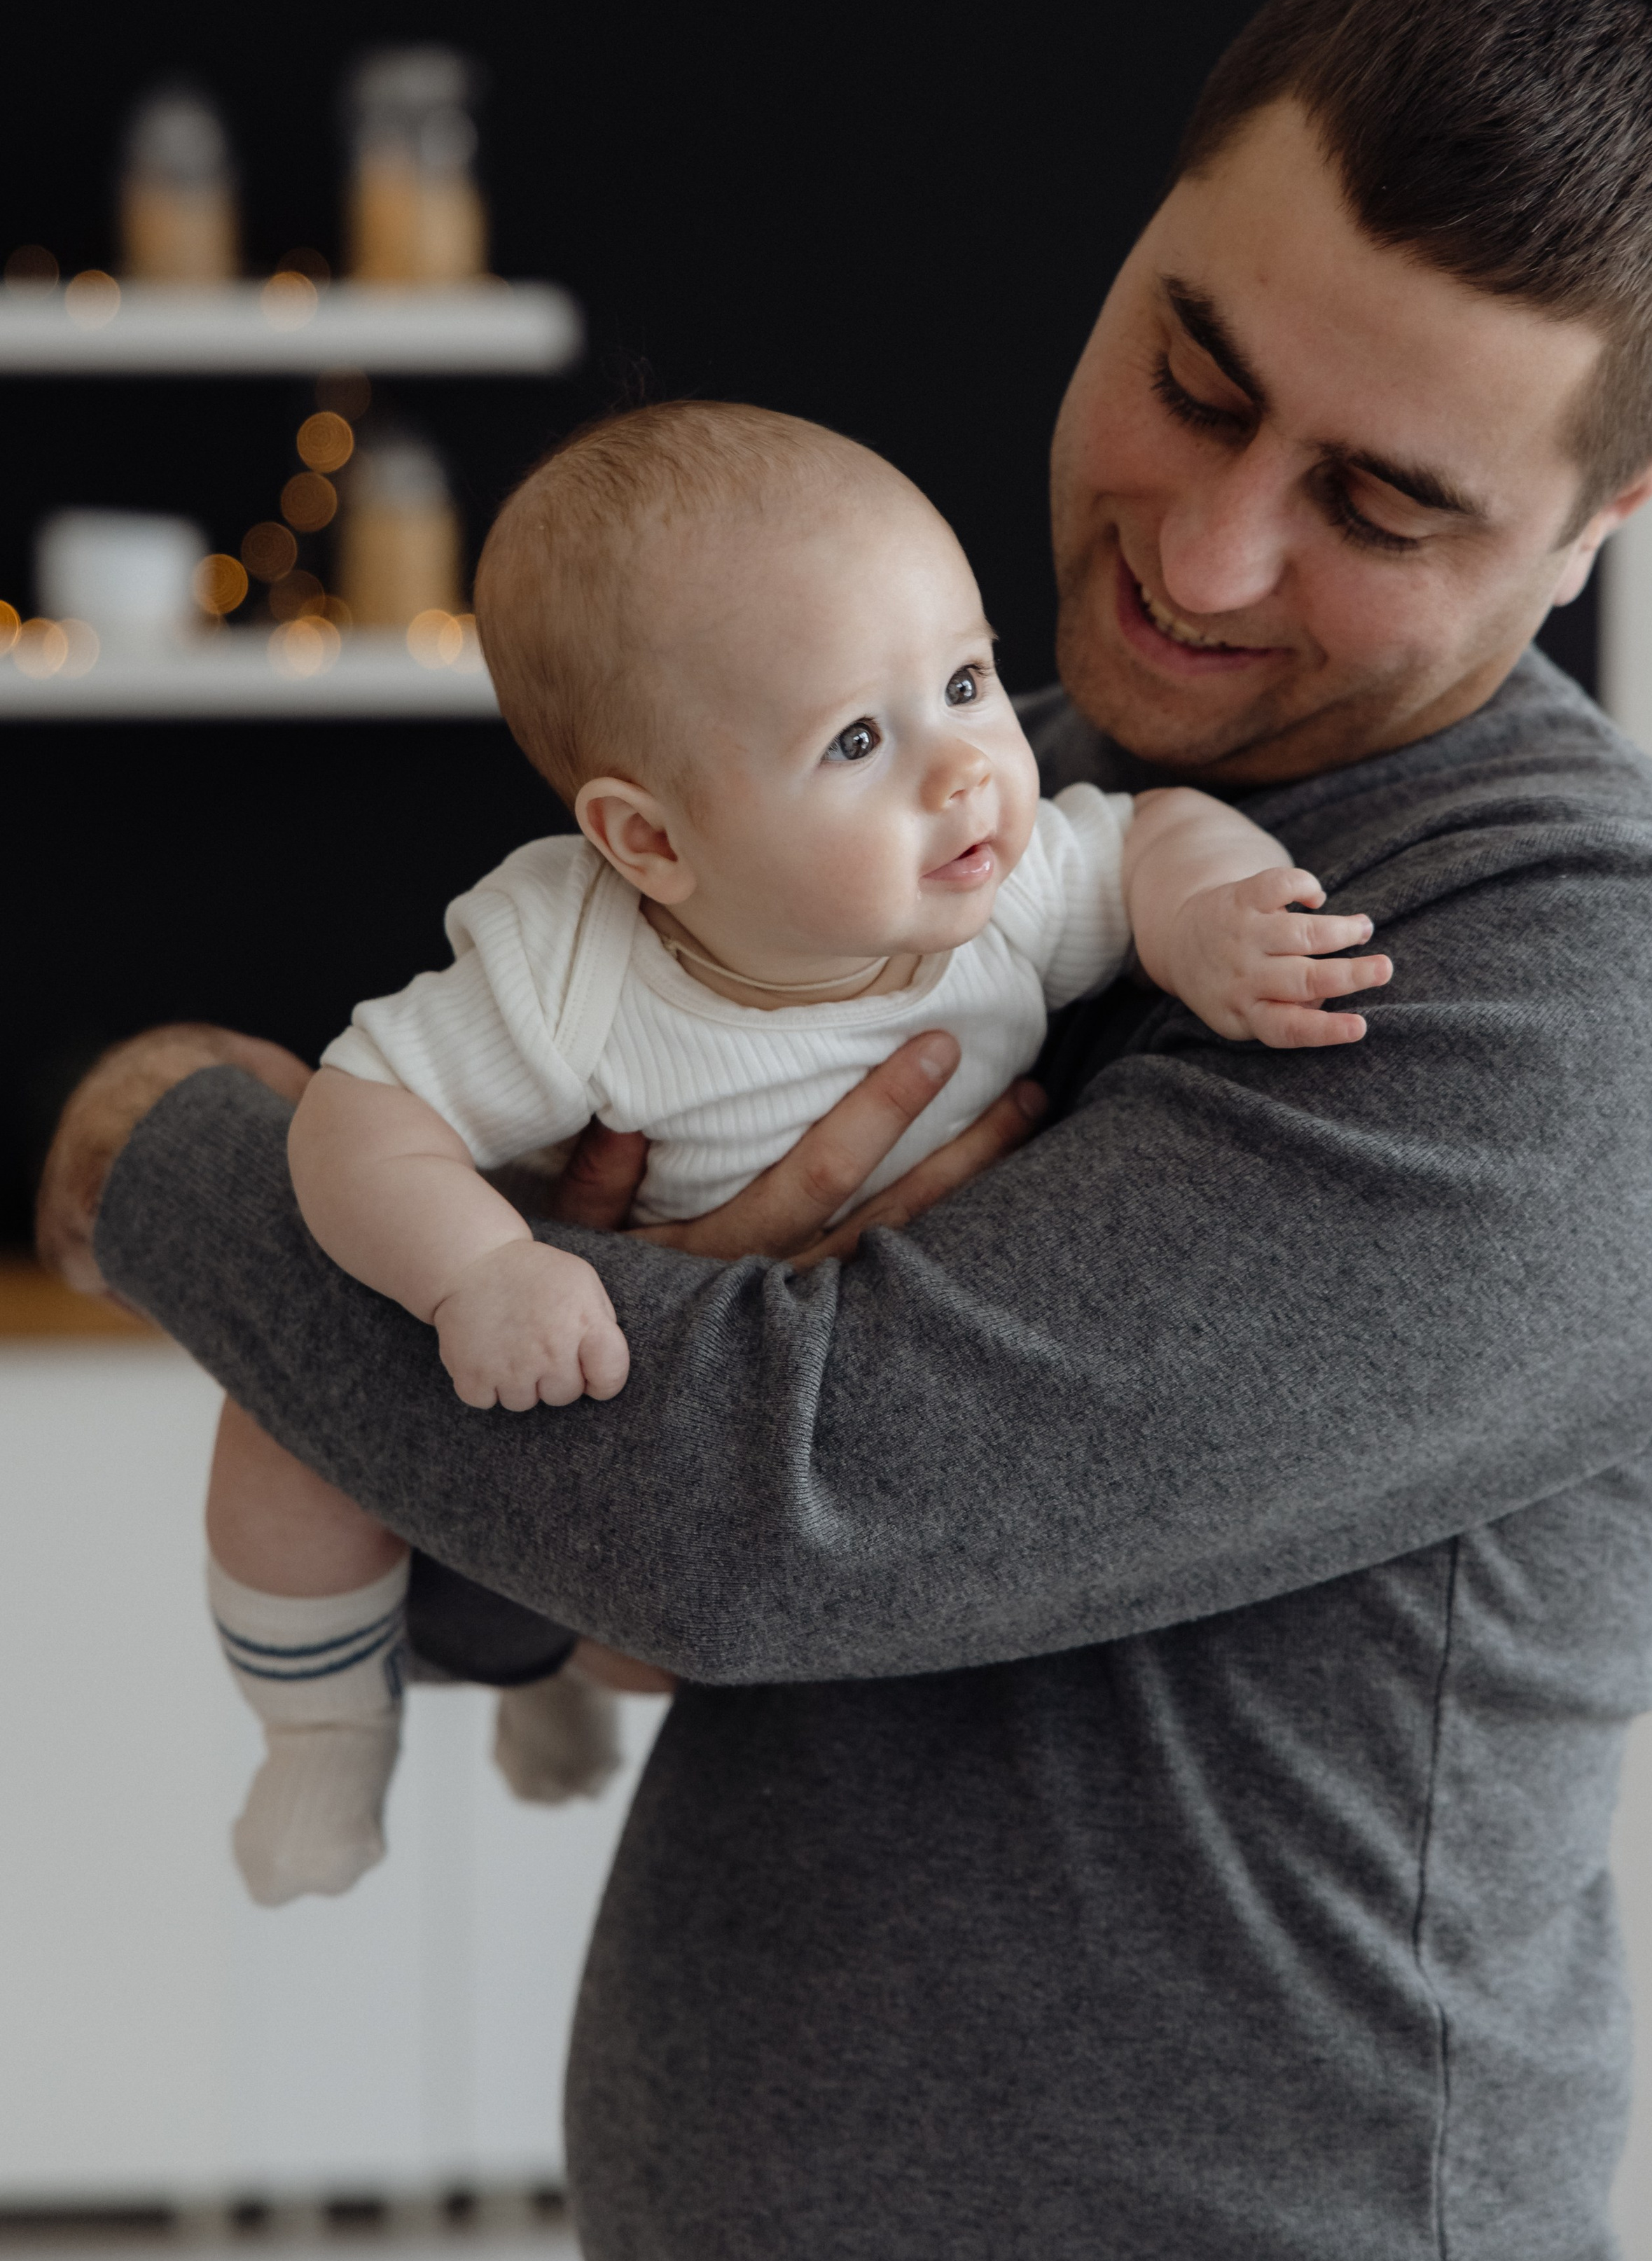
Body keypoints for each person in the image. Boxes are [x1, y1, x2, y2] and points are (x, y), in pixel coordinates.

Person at [38, 0, 1652, 2261]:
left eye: (1383, 503)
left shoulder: (1599, 1001)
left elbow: (746, 1525)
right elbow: (502, 1593)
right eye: (1192, 370)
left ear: (1622, 502)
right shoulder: (976, 811)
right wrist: (605, 1393)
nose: (1202, 550)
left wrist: (156, 1147)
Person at [209, 401, 1385, 1907]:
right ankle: (317, 1731)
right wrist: (480, 1269)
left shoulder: (1004, 876)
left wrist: (1218, 911)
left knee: (630, 1604)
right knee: (280, 1421)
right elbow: (354, 1115)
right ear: (649, 847)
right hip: (577, 1341)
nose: (965, 768)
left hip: (803, 1422)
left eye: (964, 679)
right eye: (854, 738)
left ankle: (548, 1674)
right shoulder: (569, 965)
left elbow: (1150, 833)